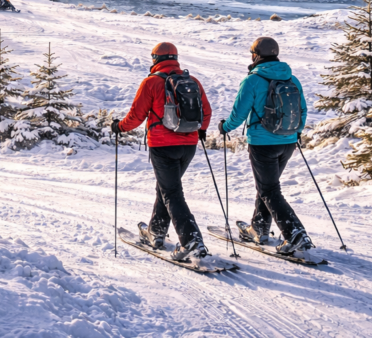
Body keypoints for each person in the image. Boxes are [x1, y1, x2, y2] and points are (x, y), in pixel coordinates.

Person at [111, 42, 212, 262]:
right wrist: (201, 130)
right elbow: (206, 112)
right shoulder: (193, 81)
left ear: (155, 59)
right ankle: (156, 233)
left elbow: (136, 116)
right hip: (189, 145)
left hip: (162, 146)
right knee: (166, 189)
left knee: (171, 192)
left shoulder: (151, 82)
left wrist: (119, 127)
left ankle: (191, 240)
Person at [219, 37, 312, 254]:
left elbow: (239, 114)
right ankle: (258, 228)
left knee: (269, 190)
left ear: (256, 55)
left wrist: (225, 127)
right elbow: (302, 110)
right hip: (288, 141)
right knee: (267, 187)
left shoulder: (252, 80)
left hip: (263, 143)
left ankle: (295, 234)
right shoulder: (292, 78)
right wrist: (296, 132)